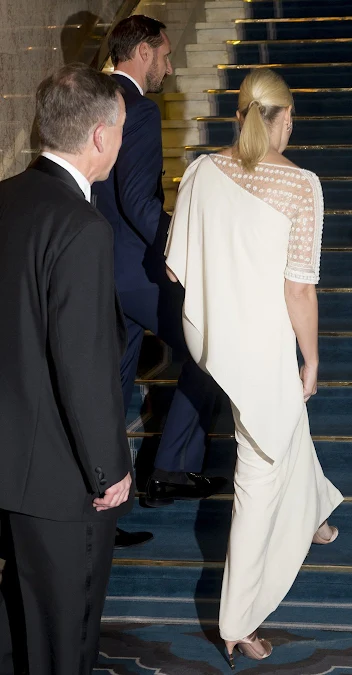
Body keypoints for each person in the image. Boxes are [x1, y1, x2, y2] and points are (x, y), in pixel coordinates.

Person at [164, 68, 344, 666]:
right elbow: (300, 292)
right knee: (258, 475)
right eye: (294, 117)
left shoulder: (200, 171)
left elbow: (175, 268)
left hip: (218, 339)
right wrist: (311, 358)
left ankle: (314, 511)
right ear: (283, 117)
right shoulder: (300, 186)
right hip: (264, 346)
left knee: (280, 421)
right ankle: (238, 620)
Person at [0, 63, 134, 675]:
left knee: (15, 632)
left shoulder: (6, 199)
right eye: (123, 130)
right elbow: (82, 361)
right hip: (59, 482)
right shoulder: (81, 227)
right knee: (63, 643)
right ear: (100, 137)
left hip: (6, 462)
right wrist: (108, 469)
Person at [93, 15, 225, 508]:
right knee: (207, 345)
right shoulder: (140, 110)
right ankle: (172, 468)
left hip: (97, 269)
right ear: (143, 51)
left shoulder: (92, 97)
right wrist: (183, 246)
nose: (169, 68)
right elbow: (138, 200)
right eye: (166, 55)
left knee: (113, 385)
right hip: (138, 269)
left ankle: (104, 503)